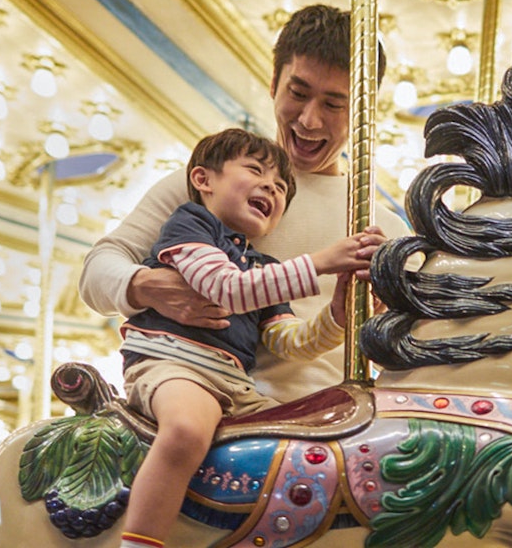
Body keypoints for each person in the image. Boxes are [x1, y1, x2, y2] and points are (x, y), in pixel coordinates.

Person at [80, 4, 411, 402]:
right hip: (209, 397)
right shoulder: (211, 183)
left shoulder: (385, 229)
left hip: (330, 413)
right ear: (274, 82)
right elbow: (97, 270)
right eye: (298, 93)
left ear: (362, 111)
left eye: (333, 104)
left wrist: (349, 319)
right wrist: (144, 286)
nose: (309, 120)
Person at [118, 128, 380, 548]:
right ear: (203, 179)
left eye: (279, 188)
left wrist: (338, 317)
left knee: (306, 447)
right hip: (175, 364)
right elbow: (225, 287)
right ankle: (140, 543)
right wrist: (321, 263)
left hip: (234, 384)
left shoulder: (261, 265)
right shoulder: (191, 226)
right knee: (186, 429)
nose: (270, 188)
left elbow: (286, 342)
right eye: (255, 172)